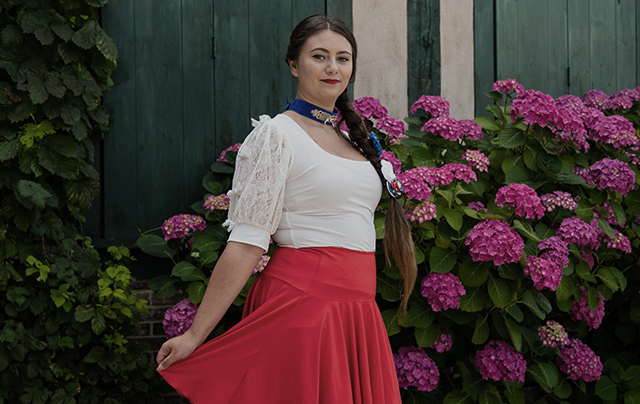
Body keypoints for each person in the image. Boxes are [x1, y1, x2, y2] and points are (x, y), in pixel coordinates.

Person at [156, 14, 417, 403]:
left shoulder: (353, 142)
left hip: (357, 313)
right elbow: (246, 243)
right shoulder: (276, 135)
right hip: (302, 309)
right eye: (319, 56)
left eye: (343, 58)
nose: (333, 68)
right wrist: (196, 334)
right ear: (293, 64)